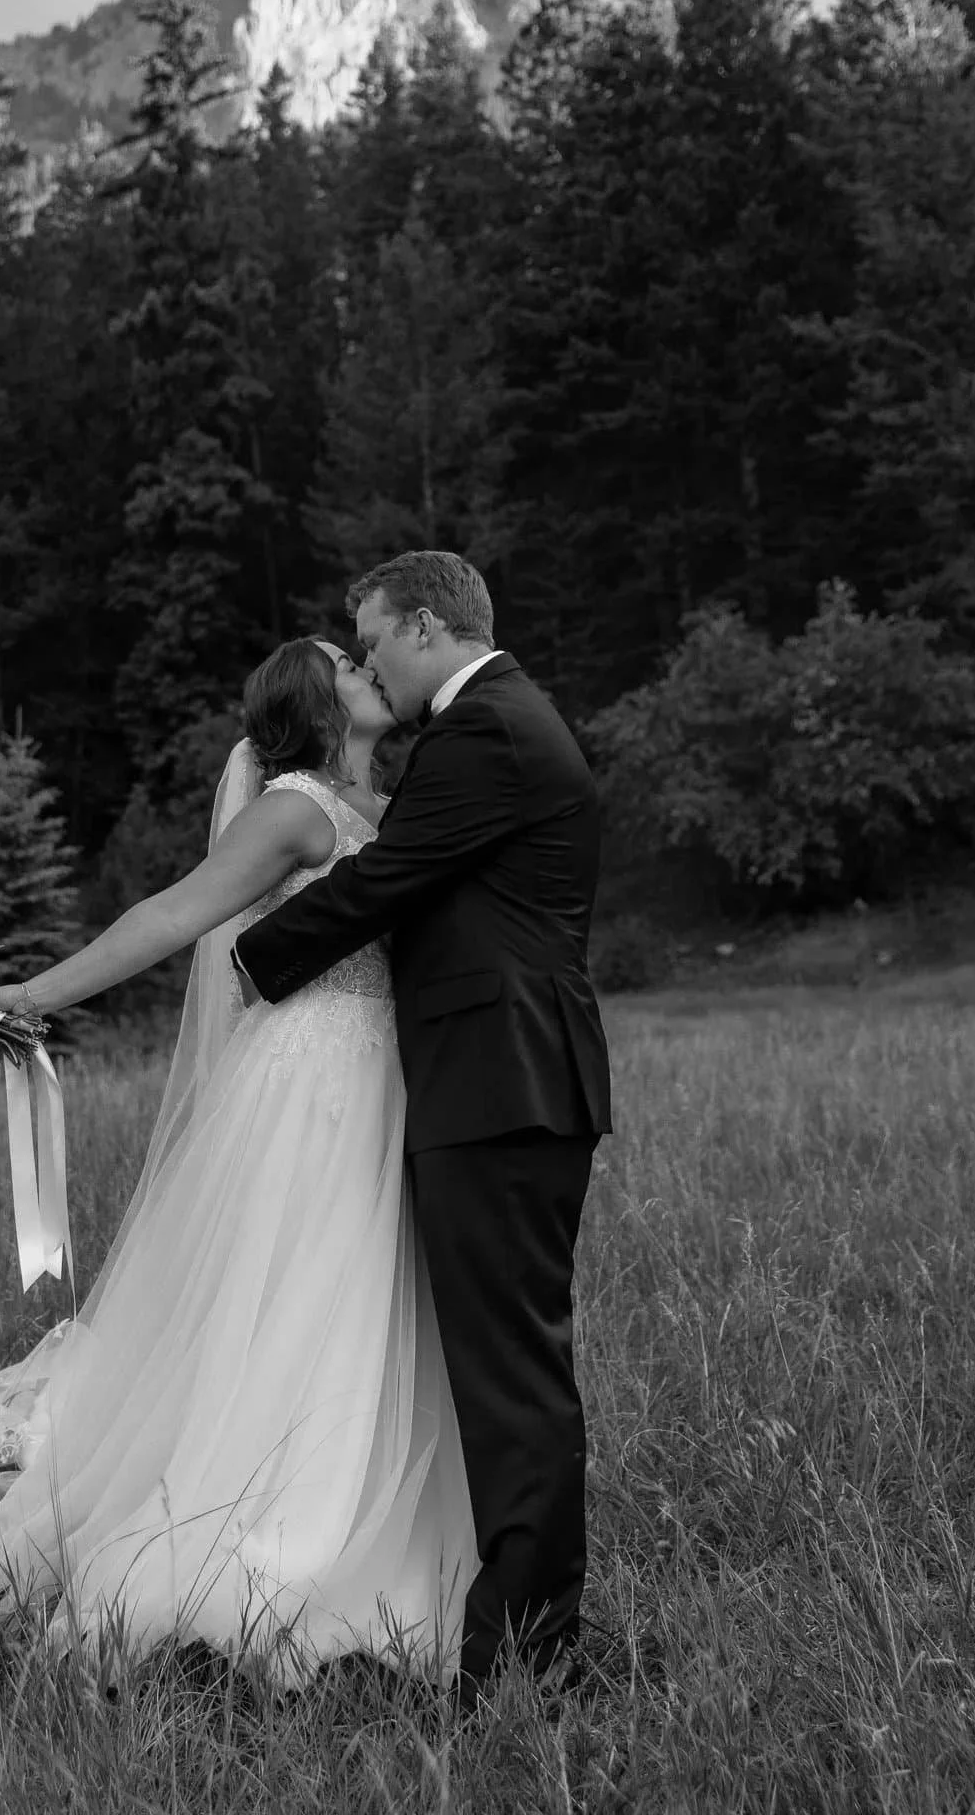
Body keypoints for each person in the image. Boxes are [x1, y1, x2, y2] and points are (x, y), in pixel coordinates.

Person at [0, 637, 478, 1692]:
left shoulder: (390, 802)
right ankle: (259, 1548)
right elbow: (176, 912)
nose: (369, 663)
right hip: (314, 1084)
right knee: (297, 1300)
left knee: (367, 1307)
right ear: (312, 697)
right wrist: (39, 992)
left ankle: (365, 1519)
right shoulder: (294, 808)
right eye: (346, 659)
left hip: (392, 1085)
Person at [232, 552, 613, 1712]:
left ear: (428, 625)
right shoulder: (488, 722)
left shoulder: (488, 728)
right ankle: (512, 1625)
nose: (369, 664)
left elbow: (391, 876)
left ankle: (529, 1653)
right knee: (501, 1366)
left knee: (510, 1372)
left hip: (503, 1084)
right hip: (497, 1080)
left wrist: (254, 956)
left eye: (372, 638)